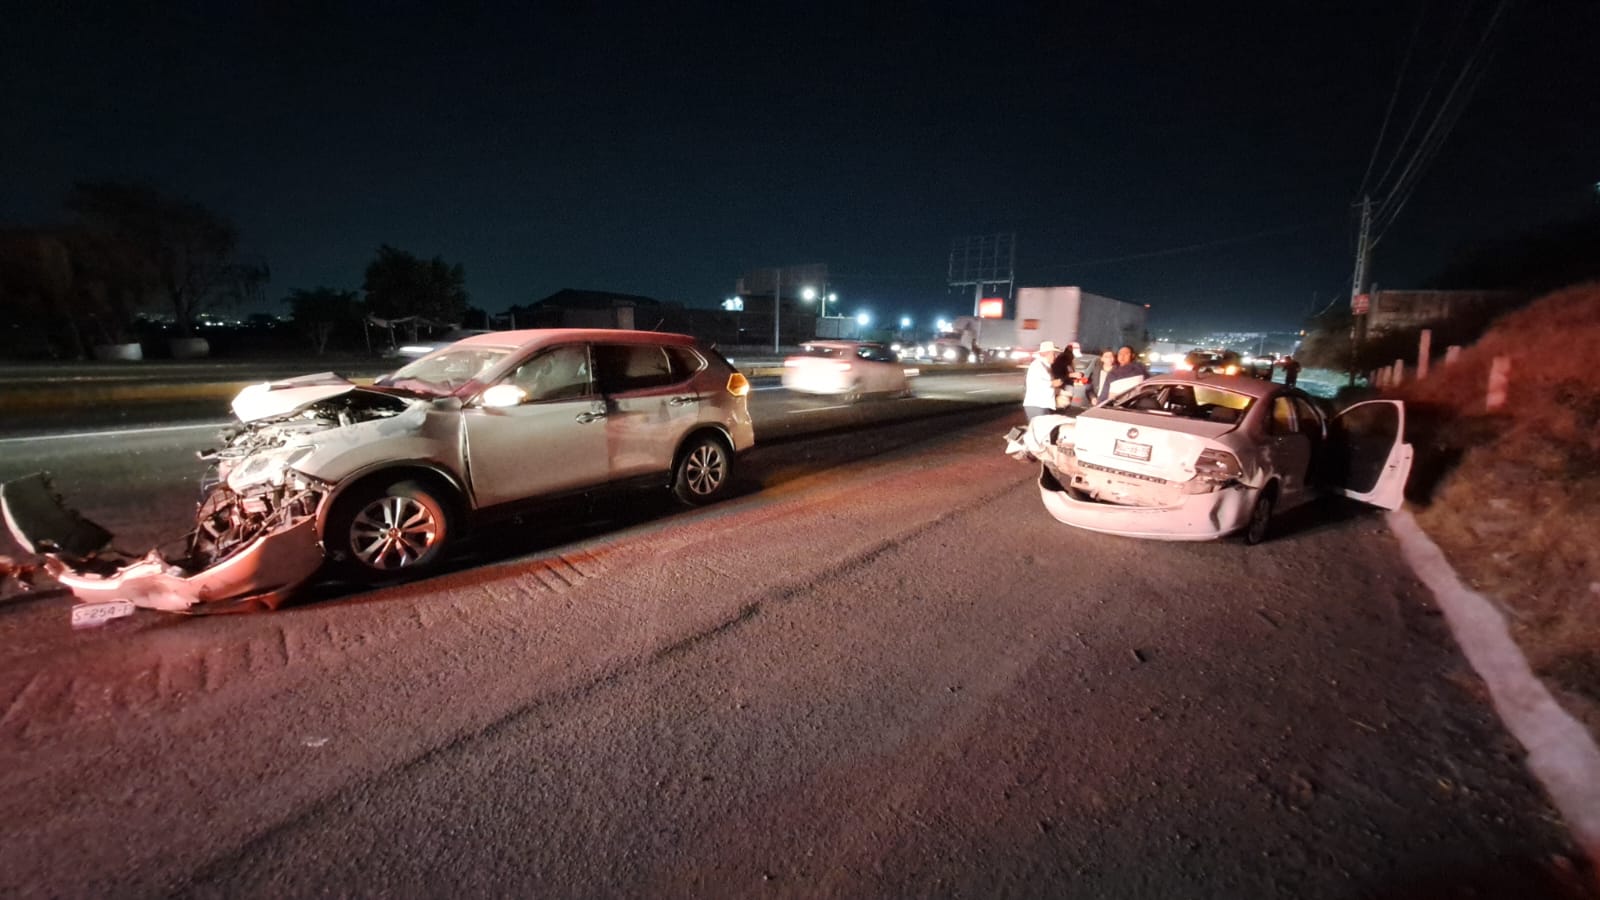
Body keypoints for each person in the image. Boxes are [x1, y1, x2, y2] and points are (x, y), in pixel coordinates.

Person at [1022, 340, 1064, 420]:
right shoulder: (1037, 365)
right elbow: (1037, 383)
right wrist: (1053, 383)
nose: (1055, 356)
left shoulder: (1045, 366)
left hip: (1042, 405)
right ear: (1046, 353)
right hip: (1036, 406)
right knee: (1040, 431)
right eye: (1053, 354)